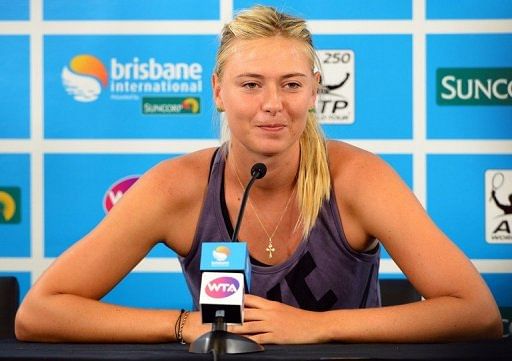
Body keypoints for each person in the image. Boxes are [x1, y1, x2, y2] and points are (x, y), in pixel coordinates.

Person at [15, 5, 502, 344]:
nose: (273, 104)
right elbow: (39, 313)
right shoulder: (175, 186)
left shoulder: (358, 178)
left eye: (291, 84)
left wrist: (316, 328)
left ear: (314, 92)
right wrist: (185, 325)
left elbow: (476, 313)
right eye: (251, 84)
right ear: (218, 91)